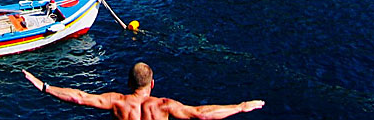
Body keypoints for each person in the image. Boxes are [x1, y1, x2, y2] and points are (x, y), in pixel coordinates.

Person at [23, 63, 264, 120]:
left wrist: (45, 87)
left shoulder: (117, 102)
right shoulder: (163, 106)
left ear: (129, 84)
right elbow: (202, 114)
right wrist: (240, 107)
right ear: (152, 84)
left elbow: (80, 97)